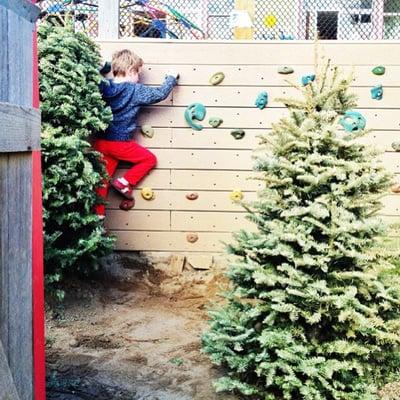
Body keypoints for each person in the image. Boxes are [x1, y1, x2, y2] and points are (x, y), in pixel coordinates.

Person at [94, 49, 178, 215]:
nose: (138, 77)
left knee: (100, 186)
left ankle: (97, 221)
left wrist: (104, 68)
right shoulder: (135, 90)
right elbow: (160, 94)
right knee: (149, 159)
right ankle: (125, 182)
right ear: (131, 71)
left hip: (102, 143)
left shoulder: (104, 86)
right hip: (121, 144)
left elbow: (93, 77)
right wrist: (171, 78)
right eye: (138, 73)